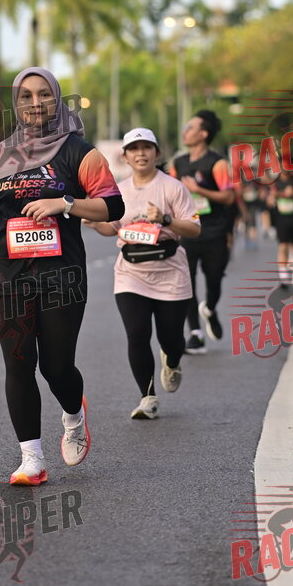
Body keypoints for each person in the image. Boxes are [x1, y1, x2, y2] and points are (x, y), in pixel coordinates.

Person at [0, 67, 124, 486]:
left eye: (44, 94)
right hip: (6, 273)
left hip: (61, 275)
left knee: (57, 367)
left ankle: (74, 415)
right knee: (18, 362)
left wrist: (65, 204)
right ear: (15, 103)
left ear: (57, 99)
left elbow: (113, 207)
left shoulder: (80, 152)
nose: (35, 103)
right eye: (26, 96)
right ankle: (32, 459)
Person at [84, 128, 201, 419]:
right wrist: (94, 223)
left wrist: (165, 219)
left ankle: (172, 361)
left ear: (156, 153)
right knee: (137, 334)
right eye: (134, 149)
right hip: (131, 274)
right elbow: (113, 227)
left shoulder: (173, 188)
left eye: (146, 147)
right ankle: (147, 397)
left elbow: (194, 228)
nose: (140, 154)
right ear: (124, 156)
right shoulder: (119, 191)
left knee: (171, 339)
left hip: (170, 273)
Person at [171, 111, 235, 353]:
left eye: (191, 127)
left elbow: (228, 197)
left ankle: (210, 308)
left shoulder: (217, 163)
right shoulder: (179, 163)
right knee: (186, 279)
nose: (185, 131)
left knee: (214, 279)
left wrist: (198, 189)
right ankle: (195, 333)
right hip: (188, 230)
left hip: (215, 230)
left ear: (204, 134)